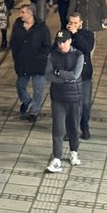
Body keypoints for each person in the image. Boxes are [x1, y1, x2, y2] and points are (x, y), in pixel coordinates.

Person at [44, 31, 84, 173]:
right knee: (58, 128)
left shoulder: (78, 55)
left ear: (70, 41)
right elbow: (48, 75)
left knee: (73, 127)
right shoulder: (53, 55)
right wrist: (66, 78)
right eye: (59, 42)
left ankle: (74, 152)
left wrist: (58, 72)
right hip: (58, 97)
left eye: (64, 42)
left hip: (74, 96)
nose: (61, 45)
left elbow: (75, 74)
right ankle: (57, 158)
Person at [10, 3, 51, 123]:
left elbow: (47, 45)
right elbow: (13, 42)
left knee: (38, 89)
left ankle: (34, 111)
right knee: (20, 85)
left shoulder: (41, 28)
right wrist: (16, 56)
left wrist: (40, 56)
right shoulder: (18, 25)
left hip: (38, 64)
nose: (20, 14)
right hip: (22, 62)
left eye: (23, 12)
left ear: (30, 13)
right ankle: (26, 100)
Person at [66, 12, 96, 139]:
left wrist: (75, 34)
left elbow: (87, 47)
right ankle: (71, 130)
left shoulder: (87, 34)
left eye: (75, 23)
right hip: (69, 75)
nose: (72, 25)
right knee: (71, 105)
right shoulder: (64, 34)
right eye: (70, 23)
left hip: (84, 75)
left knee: (85, 104)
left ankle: (84, 126)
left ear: (81, 24)